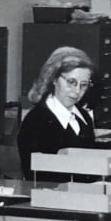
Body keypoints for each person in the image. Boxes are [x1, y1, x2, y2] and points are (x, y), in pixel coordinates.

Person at [17, 46, 102, 179]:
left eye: (83, 85)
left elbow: (87, 150)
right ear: (54, 79)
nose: (77, 91)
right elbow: (37, 173)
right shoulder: (37, 120)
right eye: (71, 82)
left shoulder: (83, 116)